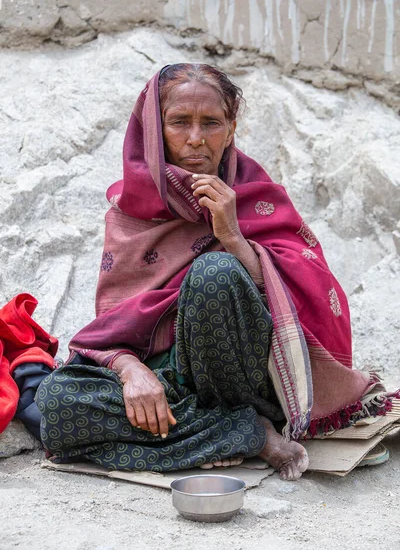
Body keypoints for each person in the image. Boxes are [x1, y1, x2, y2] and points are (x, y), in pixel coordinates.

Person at [36, 64, 397, 481]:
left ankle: (225, 428)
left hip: (252, 380)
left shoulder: (256, 195)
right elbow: (116, 324)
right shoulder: (129, 209)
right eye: (178, 123)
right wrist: (131, 370)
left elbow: (304, 299)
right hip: (168, 377)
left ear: (230, 129)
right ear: (154, 129)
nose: (195, 139)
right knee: (57, 401)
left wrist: (232, 237)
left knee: (217, 273)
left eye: (211, 123)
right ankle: (246, 436)